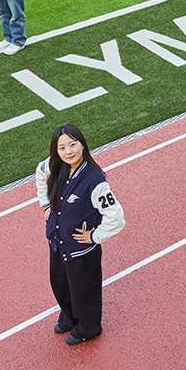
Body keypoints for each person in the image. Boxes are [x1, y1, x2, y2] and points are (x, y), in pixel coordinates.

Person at [36, 124, 125, 345]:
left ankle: (88, 327)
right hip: (58, 242)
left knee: (83, 289)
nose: (69, 151)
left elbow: (116, 217)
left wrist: (95, 236)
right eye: (62, 147)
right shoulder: (55, 165)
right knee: (60, 282)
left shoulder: (95, 181)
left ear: (82, 145)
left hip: (81, 249)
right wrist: (46, 205)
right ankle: (69, 315)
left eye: (73, 145)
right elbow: (39, 173)